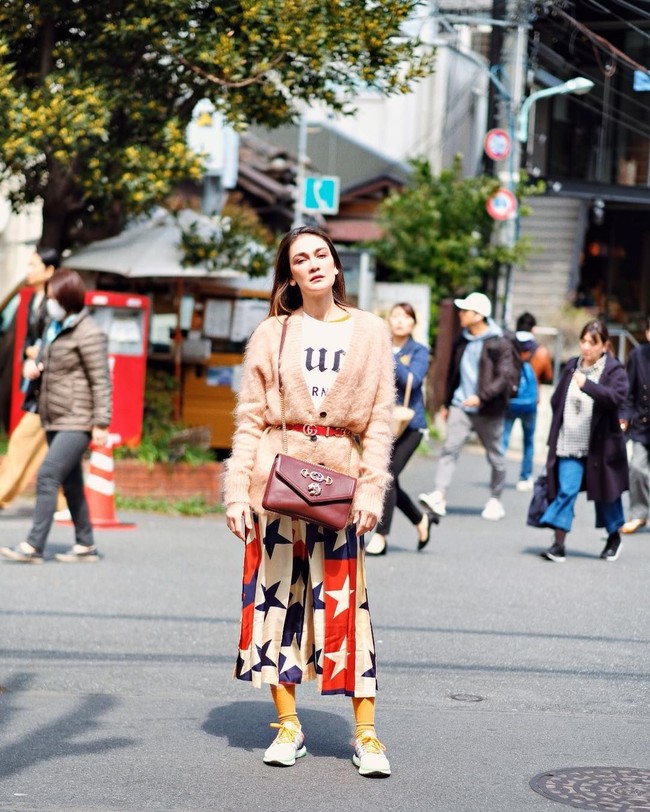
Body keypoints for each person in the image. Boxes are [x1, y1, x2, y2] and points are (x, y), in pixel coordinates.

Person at [223, 226, 394, 777]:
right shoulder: (272, 333)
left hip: (341, 485)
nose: (314, 263)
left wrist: (372, 489)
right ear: (290, 274)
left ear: (336, 265)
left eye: (322, 254)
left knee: (347, 606)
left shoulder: (370, 331)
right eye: (302, 258)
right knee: (276, 604)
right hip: (275, 484)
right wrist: (236, 491)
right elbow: (250, 419)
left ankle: (366, 734)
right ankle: (288, 726)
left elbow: (380, 421)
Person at [1, 269, 112, 564]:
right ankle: (86, 544)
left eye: (52, 297)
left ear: (67, 298)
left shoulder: (88, 333)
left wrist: (101, 423)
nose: (49, 303)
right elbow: (43, 360)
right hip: (53, 416)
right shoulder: (54, 326)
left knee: (48, 474)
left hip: (77, 418)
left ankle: (33, 545)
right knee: (71, 483)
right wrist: (33, 367)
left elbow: (101, 381)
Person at [419, 291, 514, 521]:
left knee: (495, 455)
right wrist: (447, 403)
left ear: (479, 315)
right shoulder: (461, 340)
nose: (461, 314)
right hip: (460, 405)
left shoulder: (499, 342)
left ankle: (495, 499)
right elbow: (454, 374)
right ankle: (439, 495)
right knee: (449, 449)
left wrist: (482, 397)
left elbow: (504, 377)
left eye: (465, 311)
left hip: (488, 408)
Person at [539, 319, 628, 563]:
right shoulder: (571, 366)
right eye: (583, 341)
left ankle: (614, 537)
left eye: (593, 342)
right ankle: (558, 544)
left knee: (606, 495)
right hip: (569, 443)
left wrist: (587, 385)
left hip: (600, 446)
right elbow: (556, 399)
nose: (586, 347)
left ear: (604, 345)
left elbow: (616, 398)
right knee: (566, 491)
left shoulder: (613, 370)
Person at [366, 302, 437, 556]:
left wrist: (391, 355)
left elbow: (412, 381)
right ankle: (420, 519)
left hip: (410, 425)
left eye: (405, 317)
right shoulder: (379, 347)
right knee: (388, 478)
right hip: (382, 423)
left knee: (387, 476)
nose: (399, 321)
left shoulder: (419, 351)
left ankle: (381, 536)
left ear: (413, 324)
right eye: (395, 316)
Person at [0, 248, 67, 514]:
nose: (28, 270)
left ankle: (2, 494)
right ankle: (65, 503)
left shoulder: (56, 304)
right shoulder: (34, 301)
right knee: (49, 451)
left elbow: (57, 343)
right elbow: (30, 340)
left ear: (49, 271)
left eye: (33, 265)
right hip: (40, 387)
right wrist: (28, 353)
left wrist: (36, 354)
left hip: (52, 389)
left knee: (22, 441)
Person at [502, 312, 554, 492]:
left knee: (503, 439)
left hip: (510, 399)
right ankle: (525, 477)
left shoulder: (508, 346)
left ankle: (498, 473)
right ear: (533, 329)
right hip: (530, 403)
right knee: (529, 441)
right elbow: (548, 375)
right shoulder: (540, 351)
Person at [619, 317, 650, 535]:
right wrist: (624, 416)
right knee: (637, 467)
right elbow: (629, 391)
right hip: (642, 423)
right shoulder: (637, 355)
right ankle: (639, 513)